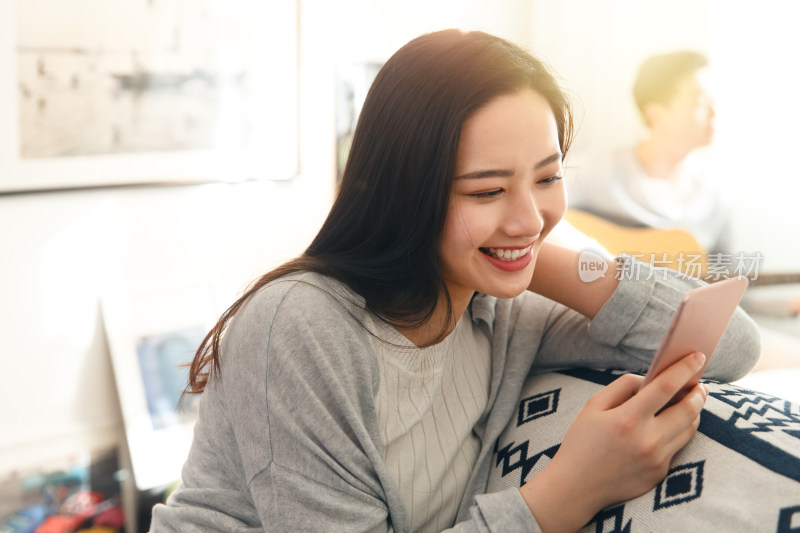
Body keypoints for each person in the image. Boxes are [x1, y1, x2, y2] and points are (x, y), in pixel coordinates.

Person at [149, 31, 760, 532]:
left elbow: (729, 343)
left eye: (547, 177)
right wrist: (571, 491)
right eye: (487, 189)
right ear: (405, 194)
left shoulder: (498, 308)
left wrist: (525, 247)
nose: (528, 211)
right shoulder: (302, 325)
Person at [567, 50, 730, 255]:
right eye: (699, 101)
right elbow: (537, 216)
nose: (714, 112)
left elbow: (729, 279)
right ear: (656, 114)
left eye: (713, 100)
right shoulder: (591, 171)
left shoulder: (715, 195)